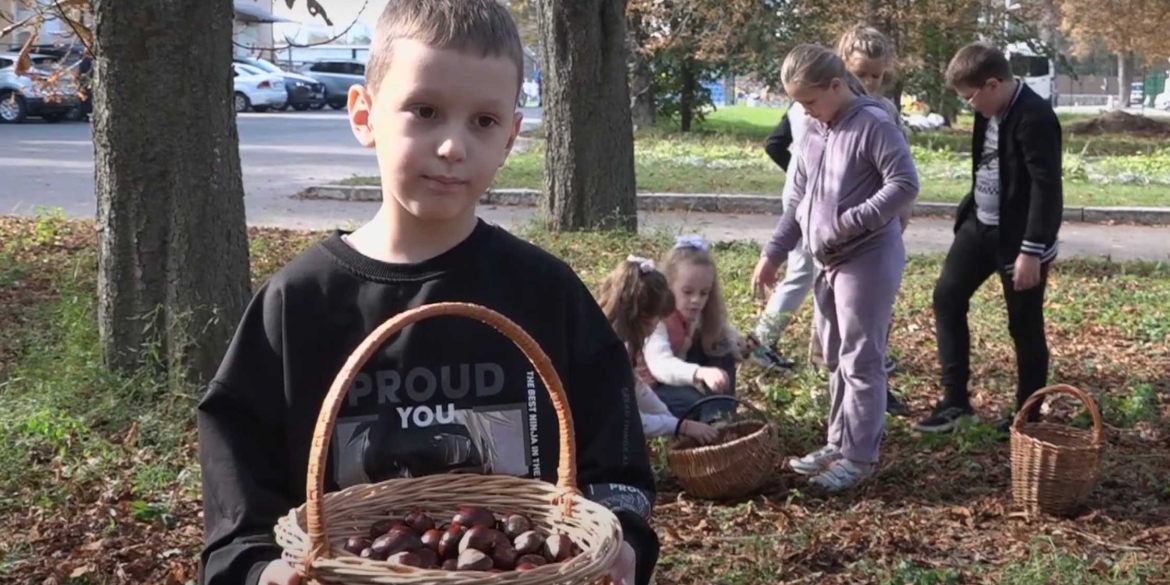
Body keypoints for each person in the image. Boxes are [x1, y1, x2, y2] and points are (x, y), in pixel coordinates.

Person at [196, 2, 657, 585]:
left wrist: (624, 542)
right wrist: (261, 573)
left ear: (511, 136)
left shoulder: (546, 295)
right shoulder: (298, 304)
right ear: (364, 115)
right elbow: (237, 512)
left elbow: (617, 467)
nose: (452, 146)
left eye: (483, 121)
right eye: (425, 110)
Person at [752, 44, 919, 492]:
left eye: (809, 101)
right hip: (828, 261)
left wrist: (849, 222)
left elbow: (904, 184)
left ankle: (860, 458)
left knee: (861, 359)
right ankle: (838, 442)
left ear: (836, 86)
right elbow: (800, 202)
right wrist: (773, 253)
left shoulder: (872, 124)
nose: (805, 111)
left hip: (867, 257)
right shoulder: (812, 129)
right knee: (834, 358)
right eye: (798, 103)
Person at [913, 43, 1062, 434]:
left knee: (1024, 324)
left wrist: (1032, 250)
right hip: (979, 227)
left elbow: (1047, 189)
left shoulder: (1036, 117)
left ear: (992, 84)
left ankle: (1026, 416)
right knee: (947, 295)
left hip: (1021, 240)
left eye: (969, 98)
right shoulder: (989, 110)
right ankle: (956, 403)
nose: (969, 107)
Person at [597, 255, 720, 444]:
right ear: (642, 316)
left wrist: (669, 418)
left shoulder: (624, 342)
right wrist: (680, 426)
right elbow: (627, 419)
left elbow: (637, 387)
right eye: (657, 319)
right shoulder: (607, 351)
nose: (658, 325)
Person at [643, 235, 741, 424]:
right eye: (687, 292)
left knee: (721, 348)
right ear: (668, 286)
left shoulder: (698, 313)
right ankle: (713, 420)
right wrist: (699, 373)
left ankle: (721, 416)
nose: (696, 300)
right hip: (651, 390)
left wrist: (741, 346)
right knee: (696, 403)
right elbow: (660, 365)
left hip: (680, 374)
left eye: (704, 293)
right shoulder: (657, 320)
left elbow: (725, 331)